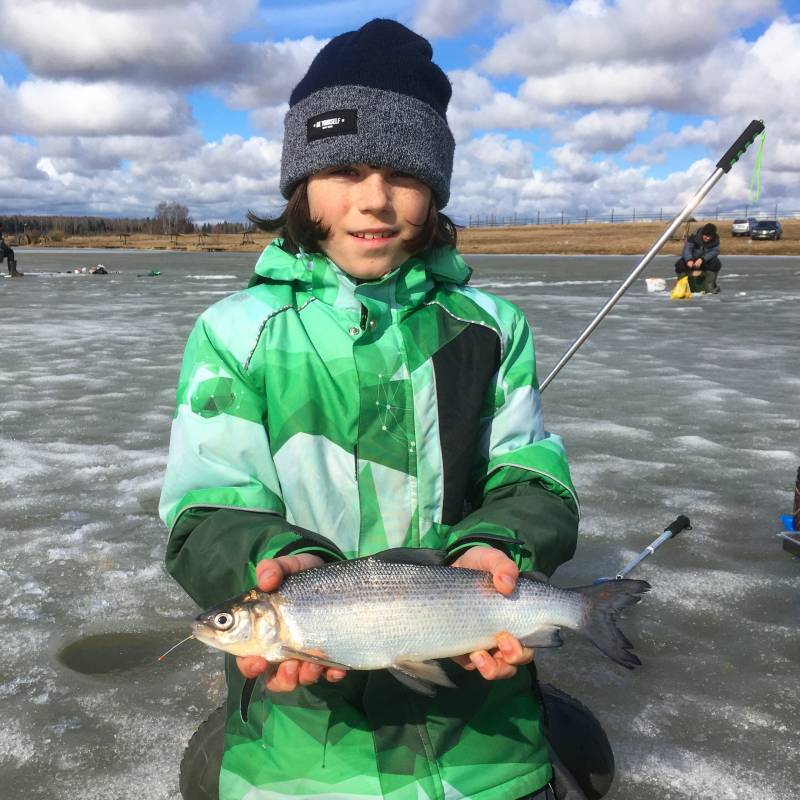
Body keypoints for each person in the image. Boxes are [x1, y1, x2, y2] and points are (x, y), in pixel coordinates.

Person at [160, 18, 579, 800]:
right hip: (300, 758)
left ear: (436, 188)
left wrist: (500, 547)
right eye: (345, 169)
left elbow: (531, 473)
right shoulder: (238, 335)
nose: (375, 199)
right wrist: (282, 563)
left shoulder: (491, 328)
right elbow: (207, 505)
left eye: (404, 173)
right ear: (300, 182)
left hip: (487, 743)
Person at [674, 222, 722, 293]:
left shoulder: (715, 240)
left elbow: (714, 252)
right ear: (703, 233)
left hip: (705, 262)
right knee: (680, 264)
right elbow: (687, 248)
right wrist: (689, 260)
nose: (707, 238)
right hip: (692, 261)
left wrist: (702, 259)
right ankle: (681, 287)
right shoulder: (694, 236)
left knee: (716, 263)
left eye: (710, 236)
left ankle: (709, 287)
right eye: (705, 235)